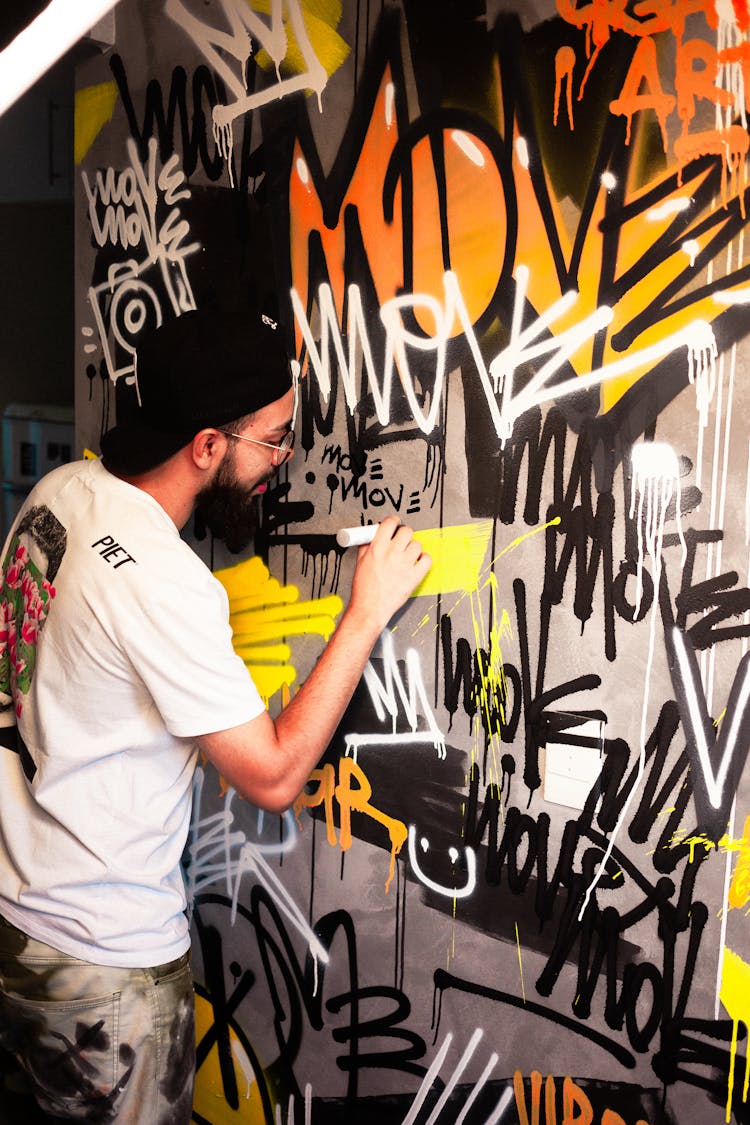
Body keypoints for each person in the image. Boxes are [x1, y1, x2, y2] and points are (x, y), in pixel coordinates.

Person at [0, 304, 431, 1123]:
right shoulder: (162, 579)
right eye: (272, 439)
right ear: (205, 445)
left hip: (15, 921)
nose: (285, 457)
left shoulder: (60, 492)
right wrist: (364, 613)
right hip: (103, 964)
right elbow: (271, 774)